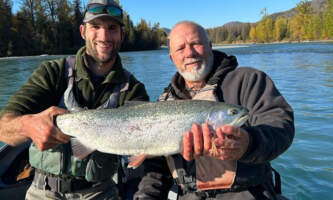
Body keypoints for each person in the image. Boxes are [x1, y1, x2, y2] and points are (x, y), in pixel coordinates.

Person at [0, 0, 149, 199]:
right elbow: (4, 126)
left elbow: (145, 144)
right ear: (82, 31)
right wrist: (28, 125)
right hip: (43, 191)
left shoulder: (133, 89)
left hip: (99, 191)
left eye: (112, 28)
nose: (104, 36)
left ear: (122, 35)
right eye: (95, 27)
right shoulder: (52, 72)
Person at [134, 21, 294, 200]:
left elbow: (281, 127)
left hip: (250, 194)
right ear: (172, 58)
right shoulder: (163, 104)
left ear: (210, 46)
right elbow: (157, 170)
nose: (189, 53)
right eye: (181, 48)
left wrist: (249, 143)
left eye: (196, 44)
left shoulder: (248, 80)